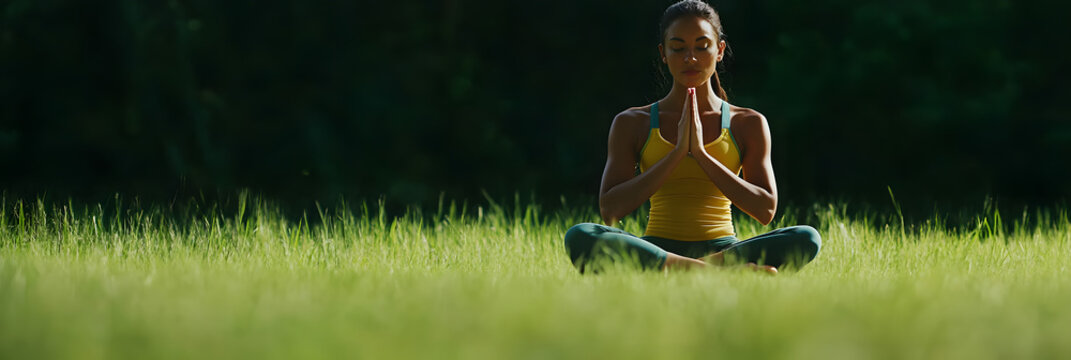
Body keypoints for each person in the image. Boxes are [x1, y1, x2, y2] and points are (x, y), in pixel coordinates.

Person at [564, 0, 821, 274]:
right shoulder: (632, 122)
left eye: (702, 46)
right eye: (678, 47)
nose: (690, 58)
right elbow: (610, 210)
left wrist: (700, 153)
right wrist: (676, 154)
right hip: (656, 248)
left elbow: (765, 210)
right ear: (663, 53)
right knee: (581, 235)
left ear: (720, 50)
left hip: (723, 249)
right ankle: (716, 273)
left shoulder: (748, 123)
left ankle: (683, 270)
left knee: (807, 237)